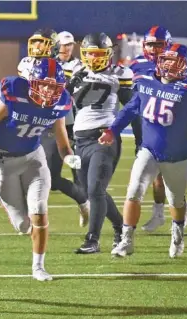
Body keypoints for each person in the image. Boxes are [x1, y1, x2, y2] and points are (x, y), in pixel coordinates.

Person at [100, 44, 187, 258]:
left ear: (186, 66)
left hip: (177, 156)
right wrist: (112, 130)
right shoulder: (145, 81)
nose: (169, 64)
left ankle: (177, 234)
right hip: (148, 150)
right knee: (133, 191)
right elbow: (130, 110)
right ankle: (126, 240)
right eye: (166, 60)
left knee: (176, 201)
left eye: (175, 61)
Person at [0, 58, 81, 281]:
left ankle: (38, 267)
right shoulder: (14, 92)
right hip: (3, 161)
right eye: (43, 84)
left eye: (53, 86)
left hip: (33, 159)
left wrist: (69, 158)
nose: (47, 90)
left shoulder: (60, 103)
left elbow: (63, 142)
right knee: (22, 225)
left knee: (39, 208)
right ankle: (7, 202)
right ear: (31, 82)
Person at [129, 25, 187, 232]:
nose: (154, 49)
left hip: (171, 124)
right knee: (150, 174)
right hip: (146, 122)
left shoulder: (178, 62)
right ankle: (164, 212)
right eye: (150, 44)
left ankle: (163, 213)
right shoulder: (137, 63)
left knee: (166, 175)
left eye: (159, 45)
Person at [69, 32, 133, 254]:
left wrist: (140, 141)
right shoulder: (76, 71)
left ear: (108, 54)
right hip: (80, 139)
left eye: (99, 54)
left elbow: (132, 109)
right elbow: (62, 104)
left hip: (103, 137)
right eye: (90, 54)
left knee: (96, 189)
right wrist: (68, 86)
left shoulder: (120, 74)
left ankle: (92, 240)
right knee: (90, 191)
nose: (94, 59)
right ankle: (119, 227)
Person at [19, 29, 90, 227]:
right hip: (29, 122)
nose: (38, 47)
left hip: (55, 122)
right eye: (36, 42)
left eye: (43, 43)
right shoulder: (26, 63)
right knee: (20, 172)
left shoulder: (67, 66)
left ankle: (83, 200)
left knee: (51, 177)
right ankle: (26, 217)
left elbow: (60, 98)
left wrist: (68, 86)